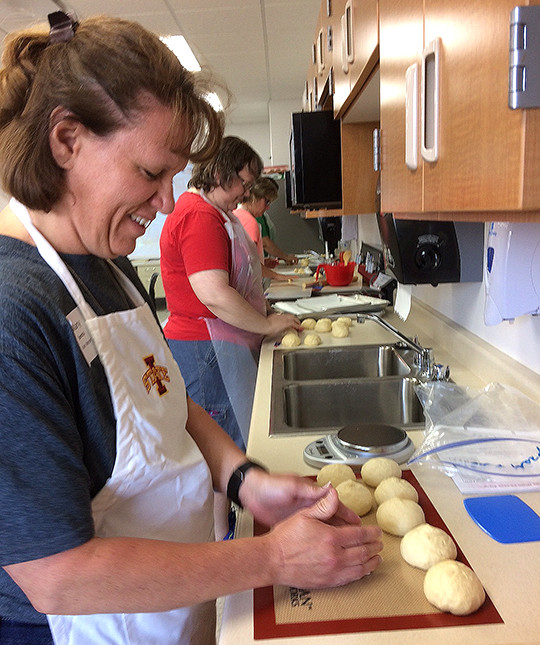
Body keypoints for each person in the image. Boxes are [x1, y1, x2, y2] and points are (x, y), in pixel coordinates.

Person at [0, 12, 384, 645]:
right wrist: (271, 559)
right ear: (66, 140)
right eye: (152, 173)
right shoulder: (16, 310)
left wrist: (244, 479)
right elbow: (56, 576)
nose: (168, 201)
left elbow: (172, 405)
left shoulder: (103, 267)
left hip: (167, 606)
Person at [160, 137, 302, 451]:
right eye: (244, 183)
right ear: (221, 173)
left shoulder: (215, 213)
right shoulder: (199, 217)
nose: (246, 193)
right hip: (205, 350)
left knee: (232, 443)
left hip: (217, 343)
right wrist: (266, 324)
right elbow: (214, 293)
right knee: (224, 448)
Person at [233, 176, 299, 282]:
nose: (268, 207)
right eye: (267, 202)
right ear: (255, 197)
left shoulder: (237, 215)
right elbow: (252, 263)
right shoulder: (249, 221)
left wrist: (263, 261)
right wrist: (277, 276)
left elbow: (245, 258)